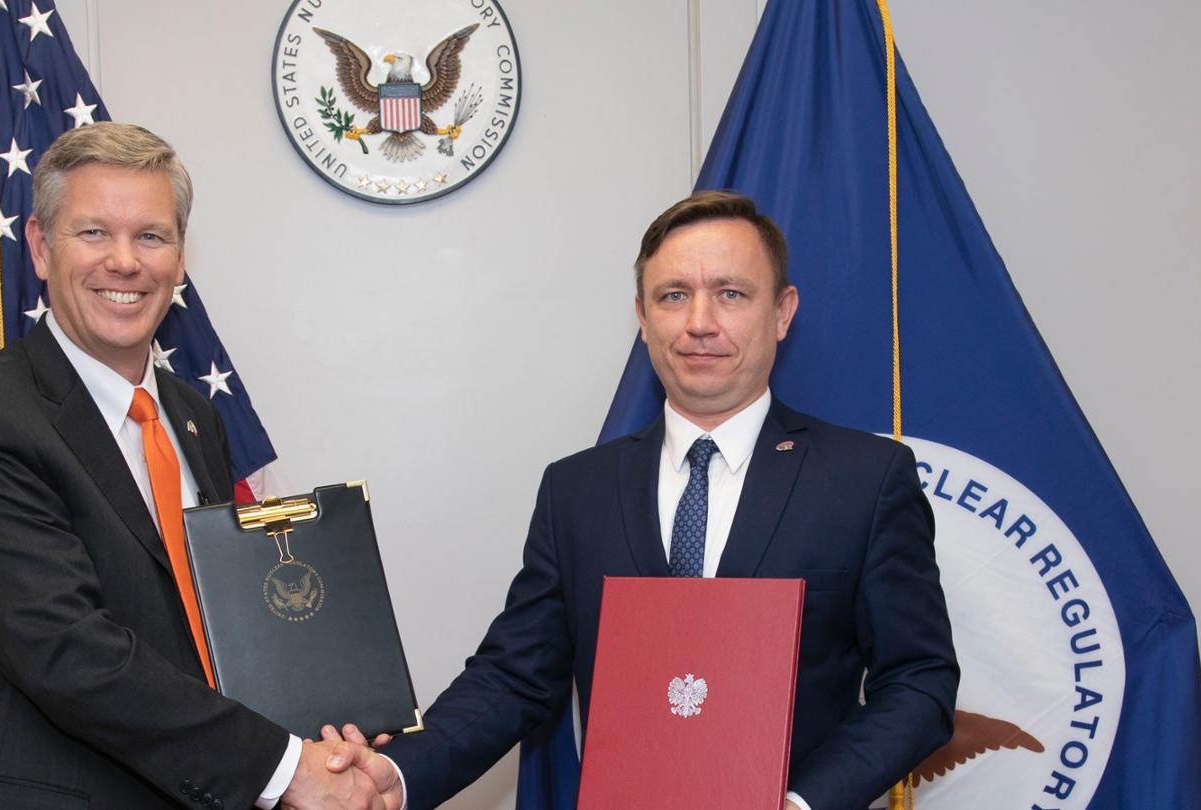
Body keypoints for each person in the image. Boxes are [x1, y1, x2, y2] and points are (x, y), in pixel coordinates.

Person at [332, 190, 958, 810]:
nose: (699, 323)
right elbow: (514, 674)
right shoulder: (576, 489)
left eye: (731, 294)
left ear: (783, 312)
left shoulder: (865, 479)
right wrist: (397, 771)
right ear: (642, 315)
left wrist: (799, 805)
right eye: (673, 296)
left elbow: (918, 681)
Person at [0, 122, 398, 810]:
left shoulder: (194, 417)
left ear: (179, 254)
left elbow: (222, 627)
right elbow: (68, 654)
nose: (125, 262)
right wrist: (291, 770)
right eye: (93, 234)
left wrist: (329, 739)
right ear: (41, 248)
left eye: (150, 236)